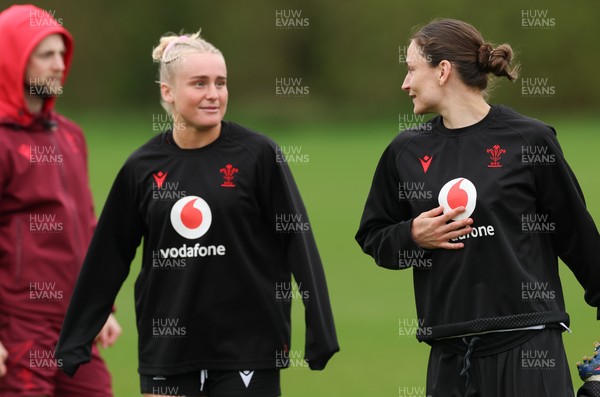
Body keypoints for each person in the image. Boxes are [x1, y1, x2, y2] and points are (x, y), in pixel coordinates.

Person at [55, 30, 339, 397]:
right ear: (167, 92)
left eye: (221, 83)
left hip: (248, 350)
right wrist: (75, 339)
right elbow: (107, 256)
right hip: (166, 352)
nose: (213, 94)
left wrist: (320, 331)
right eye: (199, 83)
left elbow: (298, 242)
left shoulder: (258, 155)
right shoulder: (141, 167)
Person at [355, 18, 600, 397]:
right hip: (449, 354)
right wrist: (411, 235)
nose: (405, 83)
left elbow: (576, 234)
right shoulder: (404, 151)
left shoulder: (529, 139)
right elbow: (373, 235)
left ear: (442, 71)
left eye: (410, 69)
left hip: (528, 344)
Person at [0, 4, 121, 397]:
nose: (58, 65)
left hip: (75, 324)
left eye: (61, 55)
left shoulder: (70, 135)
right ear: (13, 58)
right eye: (46, 54)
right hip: (20, 328)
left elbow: (87, 226)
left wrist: (101, 307)